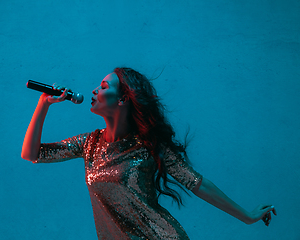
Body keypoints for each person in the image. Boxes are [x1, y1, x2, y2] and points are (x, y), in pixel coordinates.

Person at [21, 67, 276, 240]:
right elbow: (32, 154)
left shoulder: (148, 145)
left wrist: (247, 216)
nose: (94, 91)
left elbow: (198, 184)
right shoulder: (89, 143)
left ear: (121, 99)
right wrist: (43, 104)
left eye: (102, 86)